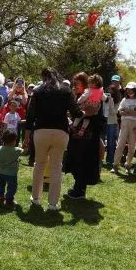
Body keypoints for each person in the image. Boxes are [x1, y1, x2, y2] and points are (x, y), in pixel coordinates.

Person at [26, 67, 82, 211]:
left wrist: (26, 135)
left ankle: (36, 198)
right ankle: (52, 204)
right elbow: (76, 112)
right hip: (60, 132)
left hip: (41, 131)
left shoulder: (37, 91)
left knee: (39, 164)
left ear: (43, 77)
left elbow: (30, 114)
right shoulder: (66, 90)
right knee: (57, 167)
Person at [65, 74, 107, 200]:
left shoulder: (94, 97)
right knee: (76, 162)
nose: (74, 86)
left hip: (88, 140)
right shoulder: (79, 97)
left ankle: (79, 189)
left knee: (82, 163)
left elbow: (98, 118)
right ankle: (78, 188)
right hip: (77, 137)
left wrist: (88, 113)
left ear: (84, 84)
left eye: (77, 83)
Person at [113, 82, 136, 173]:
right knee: (120, 144)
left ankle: (128, 164)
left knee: (132, 145)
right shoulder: (124, 100)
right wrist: (133, 111)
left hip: (134, 124)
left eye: (131, 89)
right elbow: (120, 112)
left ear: (135, 90)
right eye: (128, 89)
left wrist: (128, 111)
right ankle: (115, 165)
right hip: (124, 123)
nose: (129, 91)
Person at [0, 130, 24, 208]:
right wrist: (24, 146)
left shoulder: (0, 148)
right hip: (12, 174)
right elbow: (25, 152)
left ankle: (0, 197)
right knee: (12, 187)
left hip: (1, 172)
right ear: (14, 141)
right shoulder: (17, 150)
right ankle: (9, 200)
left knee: (1, 185)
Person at [104, 83, 122, 167]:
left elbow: (113, 113)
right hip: (103, 122)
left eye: (111, 92)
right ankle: (102, 159)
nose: (109, 94)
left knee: (111, 142)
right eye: (108, 92)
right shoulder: (105, 99)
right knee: (102, 140)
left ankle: (110, 160)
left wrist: (110, 102)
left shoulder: (118, 102)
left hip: (111, 123)